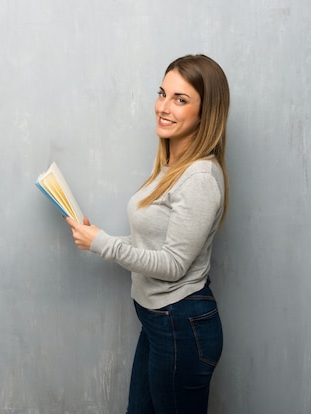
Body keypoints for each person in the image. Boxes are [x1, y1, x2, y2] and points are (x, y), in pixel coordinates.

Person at [65, 54, 230, 414]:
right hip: (161, 324)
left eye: (180, 99)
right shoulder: (171, 168)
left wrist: (102, 244)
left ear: (206, 113)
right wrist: (99, 237)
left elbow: (172, 265)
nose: (163, 107)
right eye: (162, 93)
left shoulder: (199, 179)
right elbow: (152, 245)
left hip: (181, 328)